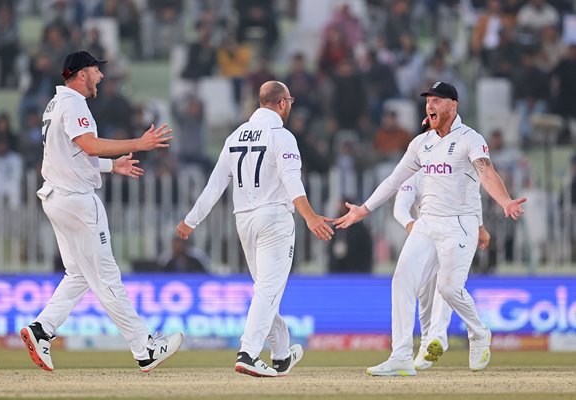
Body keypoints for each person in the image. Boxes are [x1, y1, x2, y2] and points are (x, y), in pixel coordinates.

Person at [335, 81, 526, 376]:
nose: (430, 106)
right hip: (426, 224)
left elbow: (487, 171)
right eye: (428, 101)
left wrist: (505, 201)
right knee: (401, 282)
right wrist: (364, 208)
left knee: (449, 289)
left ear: (453, 104)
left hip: (460, 225)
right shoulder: (421, 143)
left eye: (437, 100)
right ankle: (400, 355)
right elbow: (393, 181)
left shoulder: (469, 138)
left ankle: (478, 332)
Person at [20, 51, 183, 373]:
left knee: (79, 274)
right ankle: (144, 348)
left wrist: (111, 166)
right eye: (96, 70)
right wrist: (139, 142)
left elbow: (70, 154)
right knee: (107, 276)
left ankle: (42, 329)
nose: (101, 76)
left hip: (56, 197)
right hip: (78, 201)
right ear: (82, 74)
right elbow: (89, 145)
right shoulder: (73, 104)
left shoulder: (55, 104)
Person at [176, 81, 334, 377]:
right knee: (268, 290)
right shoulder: (281, 136)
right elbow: (292, 180)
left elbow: (214, 185)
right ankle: (248, 352)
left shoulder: (234, 136)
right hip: (274, 217)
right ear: (283, 103)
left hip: (243, 220)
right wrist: (310, 217)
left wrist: (191, 220)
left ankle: (281, 354)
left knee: (265, 290)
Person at [394, 168, 491, 371]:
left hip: (455, 235)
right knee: (425, 294)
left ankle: (437, 337)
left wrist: (480, 227)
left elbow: (472, 197)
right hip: (425, 236)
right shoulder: (416, 173)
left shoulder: (456, 169)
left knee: (445, 286)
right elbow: (400, 204)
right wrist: (410, 224)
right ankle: (426, 343)